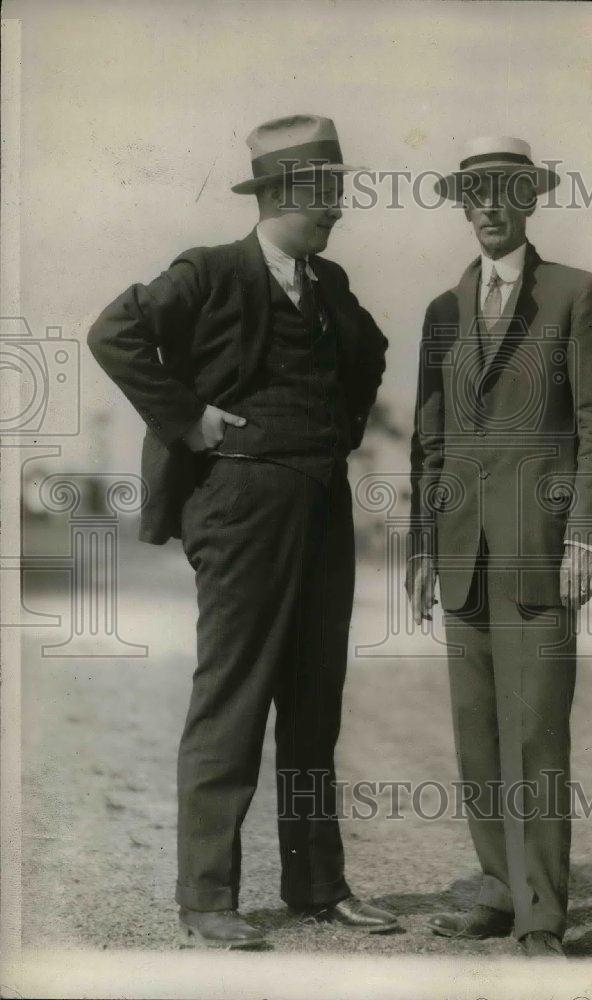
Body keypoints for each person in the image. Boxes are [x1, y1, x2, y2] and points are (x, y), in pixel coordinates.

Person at [88, 114, 397, 948]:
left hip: (323, 504)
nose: (336, 208)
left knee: (313, 703)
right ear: (279, 195)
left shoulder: (329, 286)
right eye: (323, 194)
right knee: (231, 698)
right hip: (239, 507)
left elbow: (371, 352)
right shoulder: (210, 270)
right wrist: (187, 419)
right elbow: (113, 333)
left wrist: (338, 431)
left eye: (338, 192)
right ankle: (207, 898)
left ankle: (317, 886)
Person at [406, 136, 592, 957]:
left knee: (534, 732)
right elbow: (429, 442)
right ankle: (500, 890)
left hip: (542, 549)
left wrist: (586, 537)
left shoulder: (575, 294)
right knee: (476, 735)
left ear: (529, 200)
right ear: (462, 208)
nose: (489, 208)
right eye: (475, 196)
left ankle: (541, 914)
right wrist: (423, 549)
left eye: (504, 191)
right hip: (461, 554)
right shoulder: (440, 310)